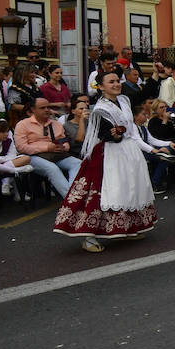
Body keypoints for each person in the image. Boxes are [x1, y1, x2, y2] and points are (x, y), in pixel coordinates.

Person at [53, 71, 158, 252]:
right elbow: (105, 136)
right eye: (111, 82)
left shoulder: (124, 100)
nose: (116, 84)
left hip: (129, 152)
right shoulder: (100, 110)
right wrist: (115, 135)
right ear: (100, 87)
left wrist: (157, 76)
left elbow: (133, 126)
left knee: (131, 188)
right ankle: (88, 235)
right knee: (101, 193)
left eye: (117, 81)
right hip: (108, 155)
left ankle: (130, 227)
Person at [14, 98, 82, 196]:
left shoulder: (56, 124)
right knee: (52, 169)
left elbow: (64, 141)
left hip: (55, 154)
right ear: (33, 109)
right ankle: (70, 199)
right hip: (32, 156)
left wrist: (64, 147)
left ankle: (75, 195)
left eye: (48, 107)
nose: (47, 110)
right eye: (42, 108)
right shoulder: (23, 124)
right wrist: (46, 148)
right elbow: (21, 147)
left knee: (78, 163)